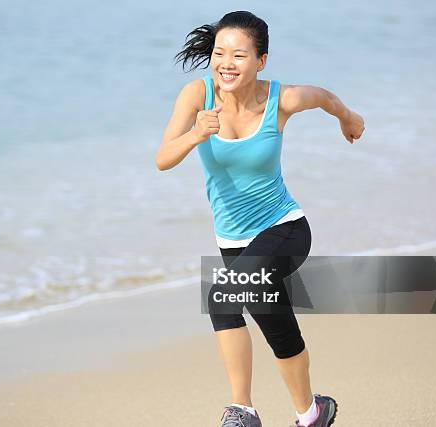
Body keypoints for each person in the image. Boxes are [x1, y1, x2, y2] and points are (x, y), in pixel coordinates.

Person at [155, 11, 364, 427]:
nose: (226, 63)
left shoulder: (280, 100)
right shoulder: (197, 95)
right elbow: (162, 159)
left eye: (239, 54)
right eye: (219, 53)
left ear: (261, 61)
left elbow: (322, 96)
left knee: (222, 298)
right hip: (232, 241)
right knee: (278, 329)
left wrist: (348, 118)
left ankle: (242, 412)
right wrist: (196, 134)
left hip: (284, 228)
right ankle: (312, 412)